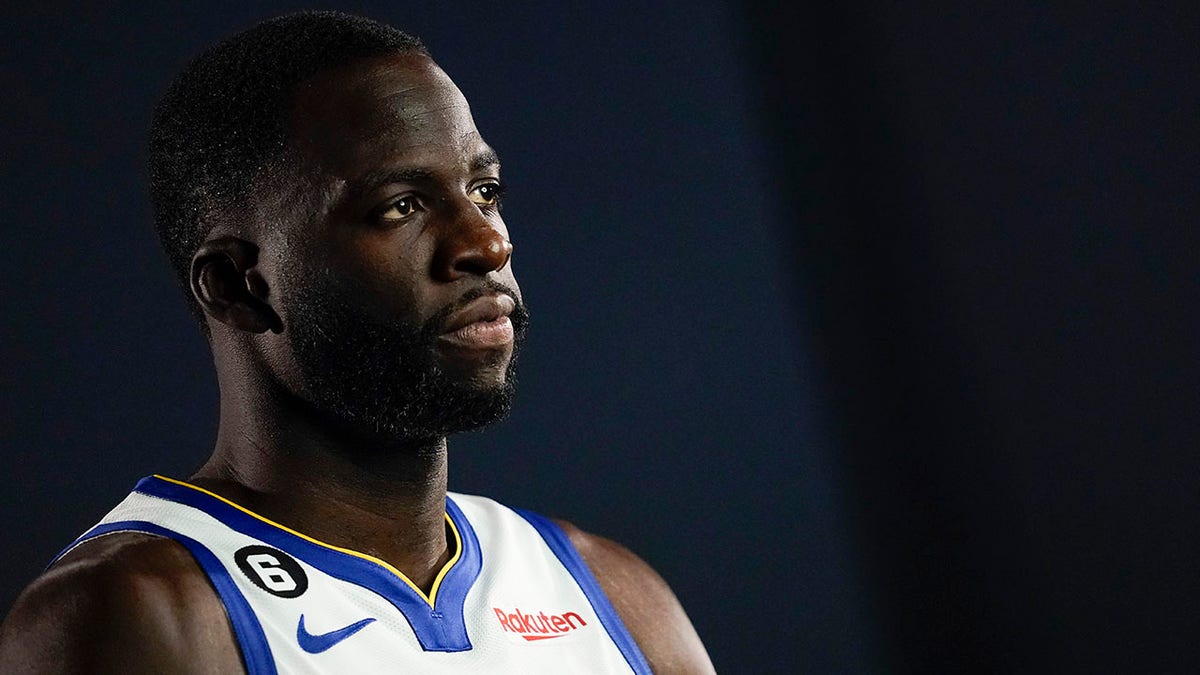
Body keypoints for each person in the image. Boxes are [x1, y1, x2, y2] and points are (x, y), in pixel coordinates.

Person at [0, 11, 713, 674]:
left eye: (484, 191)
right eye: (401, 206)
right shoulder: (144, 614)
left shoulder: (615, 596)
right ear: (238, 287)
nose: (487, 242)